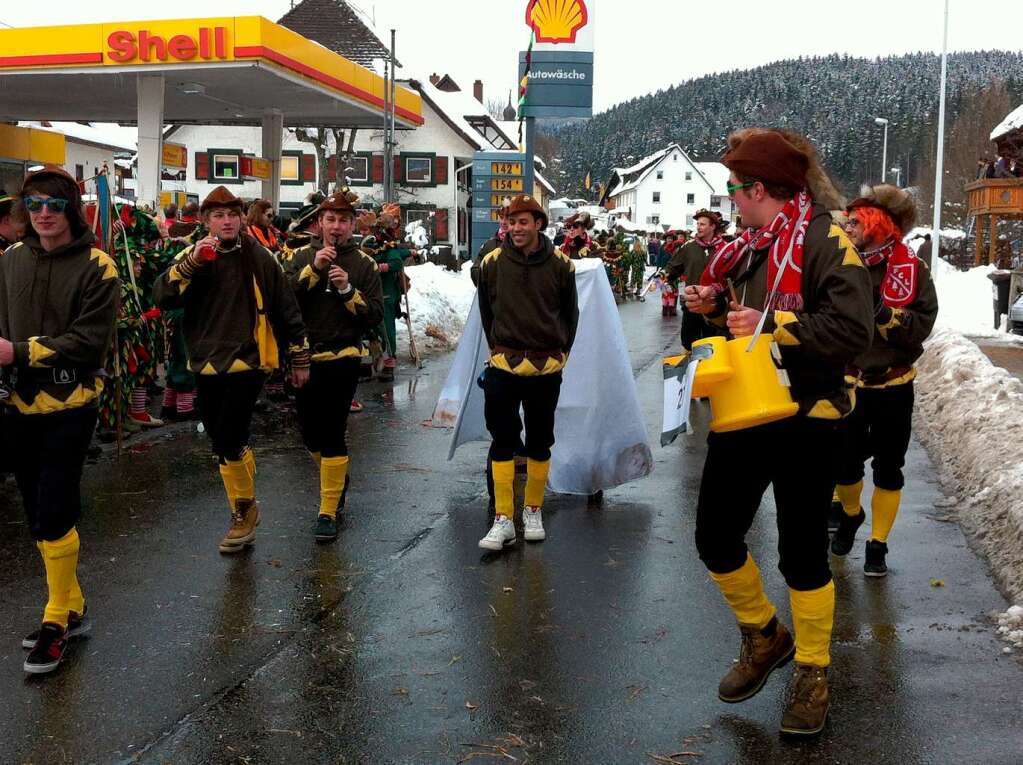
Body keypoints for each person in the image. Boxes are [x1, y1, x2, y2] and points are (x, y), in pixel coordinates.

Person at [684, 128, 873, 736]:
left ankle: (814, 671)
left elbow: (853, 330)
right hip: (747, 408)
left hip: (809, 416)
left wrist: (776, 327)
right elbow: (747, 318)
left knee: (801, 554)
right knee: (714, 536)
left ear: (759, 188)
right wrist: (714, 306)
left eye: (736, 189)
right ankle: (765, 635)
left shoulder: (825, 239)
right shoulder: (754, 245)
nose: (731, 199)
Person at [0, 166, 118, 674]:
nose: (43, 213)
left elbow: (89, 340)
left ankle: (55, 620)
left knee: (54, 507)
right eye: (34, 204)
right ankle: (72, 604)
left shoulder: (98, 265)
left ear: (72, 208)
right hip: (17, 404)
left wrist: (19, 352)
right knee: (35, 509)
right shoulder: (8, 261)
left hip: (72, 403)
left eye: (54, 204)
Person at [154, 186, 310, 553]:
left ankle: (243, 512)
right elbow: (162, 295)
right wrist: (192, 262)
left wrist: (298, 357)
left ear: (241, 218)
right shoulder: (191, 255)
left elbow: (286, 307)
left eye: (232, 215)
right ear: (206, 221)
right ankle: (246, 504)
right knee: (221, 439)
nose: (226, 221)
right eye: (218, 216)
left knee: (229, 434)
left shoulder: (259, 257)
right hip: (206, 360)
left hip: (248, 359)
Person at [832, 185, 938, 576]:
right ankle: (850, 514)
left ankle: (878, 545)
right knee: (844, 466)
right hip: (850, 384)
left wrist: (886, 315)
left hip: (894, 386)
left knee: (889, 469)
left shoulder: (912, 269)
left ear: (879, 224)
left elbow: (922, 324)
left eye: (856, 220)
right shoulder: (841, 263)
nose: (849, 226)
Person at [476, 194, 578, 550]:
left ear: (538, 224)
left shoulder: (563, 266)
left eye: (523, 222)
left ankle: (533, 510)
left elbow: (570, 316)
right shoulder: (490, 263)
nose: (516, 228)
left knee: (539, 439)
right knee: (503, 438)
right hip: (504, 364)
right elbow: (487, 313)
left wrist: (560, 353)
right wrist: (500, 348)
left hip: (546, 366)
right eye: (510, 222)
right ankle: (503, 518)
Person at [286, 190, 384, 542]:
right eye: (331, 220)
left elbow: (375, 314)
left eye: (343, 221)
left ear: (352, 225)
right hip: (304, 356)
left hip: (343, 357)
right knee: (310, 433)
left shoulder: (364, 264)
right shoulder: (299, 256)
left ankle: (327, 509)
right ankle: (336, 477)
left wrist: (347, 291)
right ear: (320, 223)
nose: (336, 227)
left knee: (332, 431)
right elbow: (286, 299)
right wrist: (316, 269)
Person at [667, 209, 727, 349]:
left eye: (703, 224)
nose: (698, 227)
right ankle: (690, 368)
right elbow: (674, 266)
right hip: (692, 302)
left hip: (714, 305)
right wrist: (663, 276)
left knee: (713, 343)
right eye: (698, 224)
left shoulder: (724, 247)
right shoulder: (689, 247)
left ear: (713, 227)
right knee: (689, 342)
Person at [371, 205, 409, 383]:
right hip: (374, 294)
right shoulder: (373, 245)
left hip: (386, 295)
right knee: (376, 329)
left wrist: (378, 268)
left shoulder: (389, 248)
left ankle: (389, 364)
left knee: (387, 329)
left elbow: (396, 263)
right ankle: (377, 359)